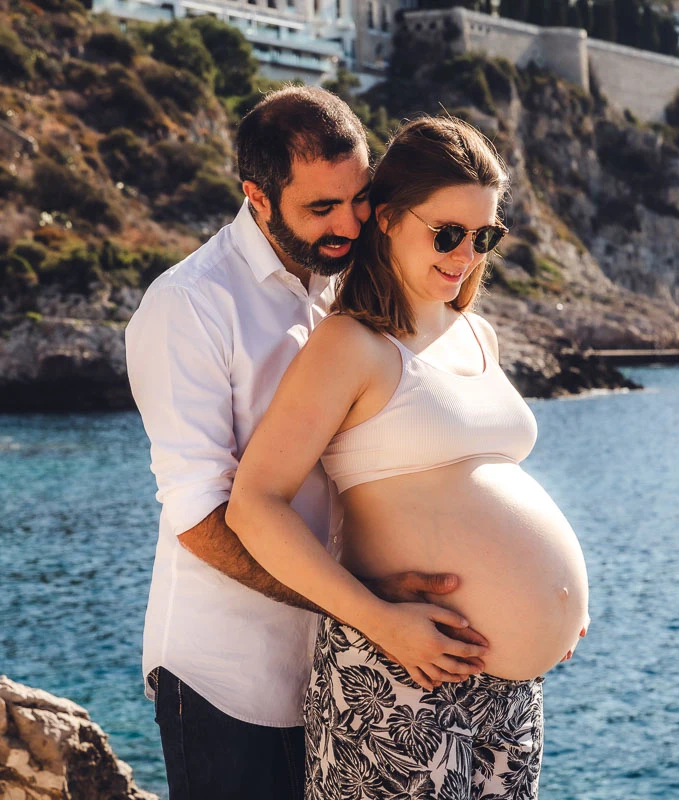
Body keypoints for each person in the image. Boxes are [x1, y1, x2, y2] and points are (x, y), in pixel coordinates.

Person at [125, 88, 487, 800]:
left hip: (346, 668)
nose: (346, 225)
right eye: (320, 208)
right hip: (227, 677)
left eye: (357, 200)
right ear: (257, 197)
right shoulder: (188, 306)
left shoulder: (352, 284)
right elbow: (200, 518)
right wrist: (364, 604)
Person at [226, 115, 591, 800]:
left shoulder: (474, 332)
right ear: (388, 219)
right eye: (447, 233)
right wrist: (381, 619)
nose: (466, 255)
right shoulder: (350, 345)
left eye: (485, 237)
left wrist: (556, 612)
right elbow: (254, 505)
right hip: (399, 678)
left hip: (508, 695)